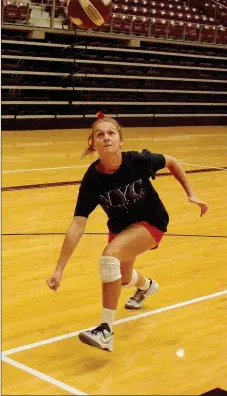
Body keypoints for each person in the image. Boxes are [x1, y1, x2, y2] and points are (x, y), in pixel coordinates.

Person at [47, 112, 208, 352]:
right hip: (121, 229)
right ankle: (146, 286)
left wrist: (191, 193)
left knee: (108, 258)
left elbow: (172, 161)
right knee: (121, 278)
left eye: (111, 133)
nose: (106, 137)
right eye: (99, 134)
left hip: (152, 222)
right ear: (93, 144)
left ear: (120, 141)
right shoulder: (92, 180)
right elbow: (77, 225)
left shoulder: (138, 161)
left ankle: (105, 330)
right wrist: (59, 269)